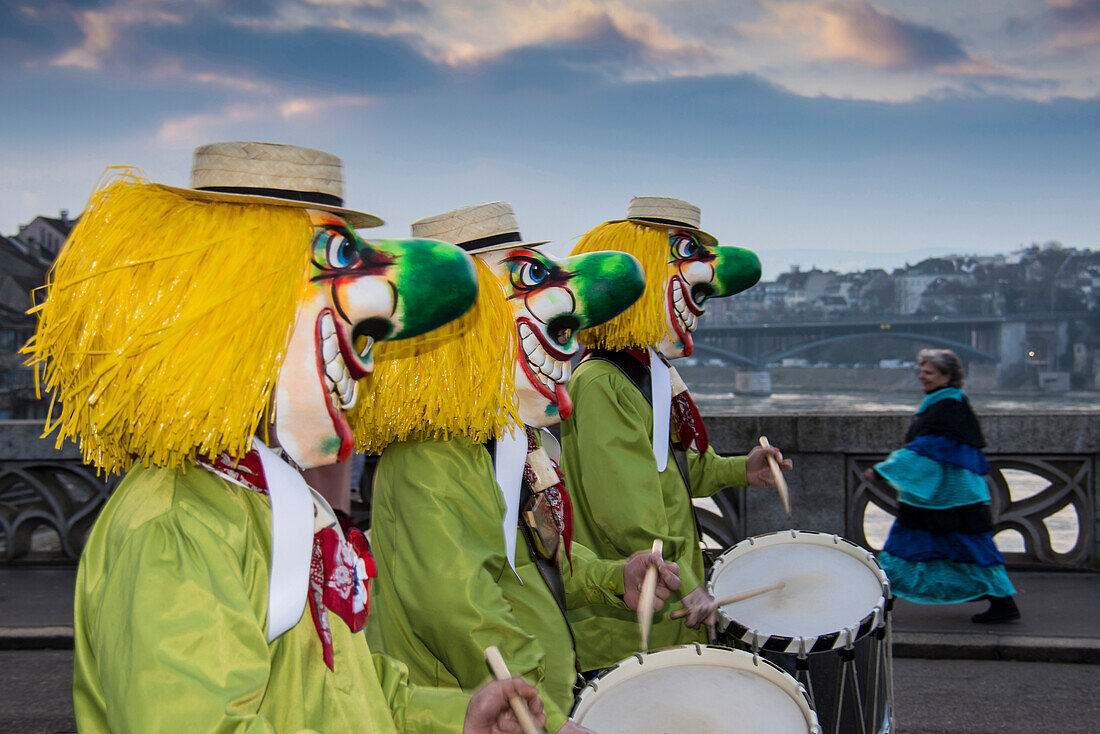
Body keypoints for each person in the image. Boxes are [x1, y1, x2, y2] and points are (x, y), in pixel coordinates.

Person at [28, 142, 545, 732]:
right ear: (239, 308)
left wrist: (461, 718)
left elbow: (347, 693)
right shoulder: (175, 526)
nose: (366, 357)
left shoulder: (264, 488)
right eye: (330, 264)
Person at [354, 202, 680, 733]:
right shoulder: (429, 460)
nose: (567, 331)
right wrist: (550, 721)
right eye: (524, 284)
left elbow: (537, 562)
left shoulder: (510, 438)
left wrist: (611, 576)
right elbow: (465, 617)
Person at [558, 196, 792, 673]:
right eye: (690, 289)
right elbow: (625, 512)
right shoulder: (601, 381)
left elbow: (680, 468)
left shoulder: (651, 370)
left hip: (668, 601)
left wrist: (738, 470)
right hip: (630, 617)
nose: (698, 309)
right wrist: (688, 584)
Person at [863, 348, 1020, 623]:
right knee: (956, 547)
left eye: (929, 372)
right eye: (921, 370)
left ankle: (879, 604)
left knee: (914, 546)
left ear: (947, 376)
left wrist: (882, 470)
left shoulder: (947, 408)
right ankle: (881, 602)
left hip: (947, 496)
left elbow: (927, 448)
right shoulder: (947, 403)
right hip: (946, 495)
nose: (921, 376)